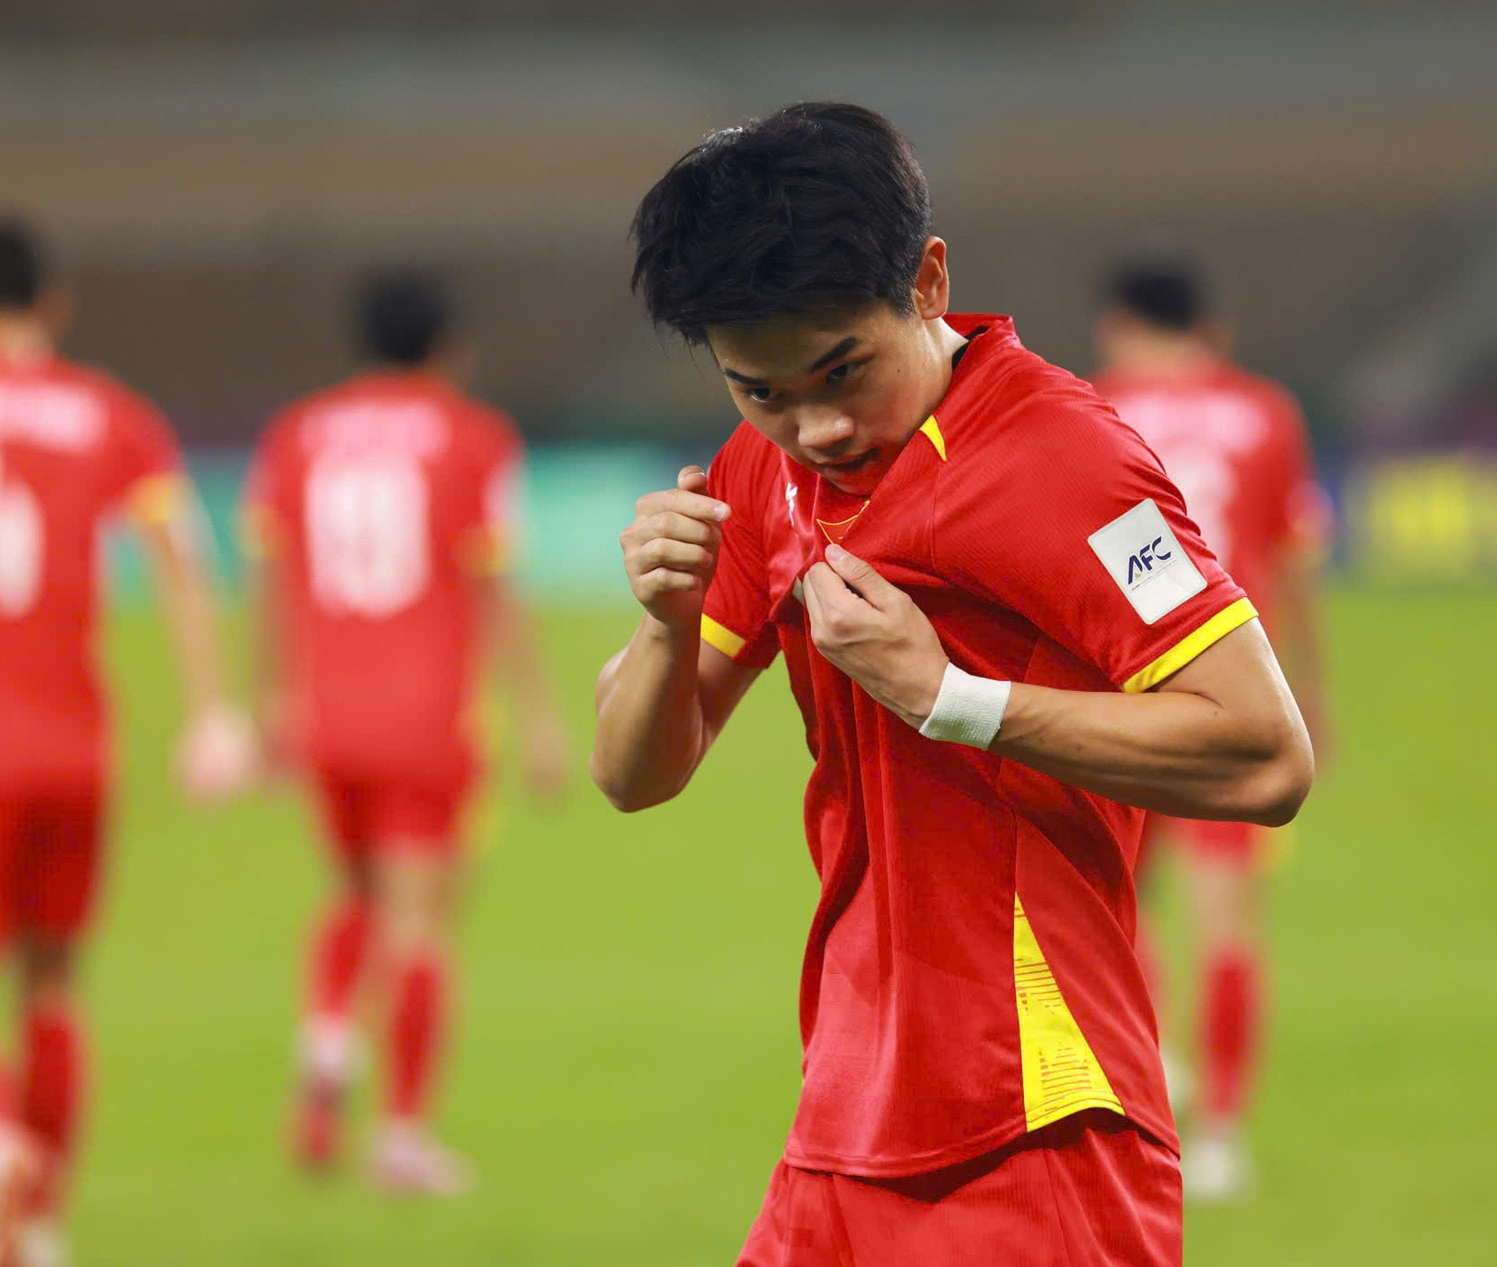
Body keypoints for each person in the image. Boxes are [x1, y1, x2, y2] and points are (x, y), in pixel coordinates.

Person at [591, 103, 1314, 1266]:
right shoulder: (760, 470)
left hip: (1034, 1113)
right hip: (844, 1106)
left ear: (928, 282)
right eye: (759, 390)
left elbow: (1267, 754)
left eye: (843, 370)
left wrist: (952, 697)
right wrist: (668, 629)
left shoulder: (1060, 459)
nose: (814, 426)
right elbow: (631, 776)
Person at [0, 216, 254, 1267]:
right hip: (73, 747)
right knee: (54, 989)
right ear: (55, 307)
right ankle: (33, 1229)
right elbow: (178, 554)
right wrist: (212, 710)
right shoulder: (111, 416)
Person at [242, 270, 566, 1195]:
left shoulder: (297, 434)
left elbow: (269, 576)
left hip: (325, 715)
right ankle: (401, 1136)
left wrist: (271, 704)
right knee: (422, 923)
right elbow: (493, 583)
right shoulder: (471, 438)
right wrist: (539, 716)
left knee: (351, 891)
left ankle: (330, 1042)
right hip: (424, 719)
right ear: (447, 348)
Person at [1089, 255, 1333, 1202]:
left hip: (1124, 682)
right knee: (1227, 914)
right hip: (1235, 688)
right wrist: (1311, 684)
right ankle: (1223, 1133)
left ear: (1122, 323)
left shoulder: (1094, 406)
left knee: (1113, 892)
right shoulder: (1265, 412)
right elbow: (1293, 554)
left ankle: (1151, 1062)